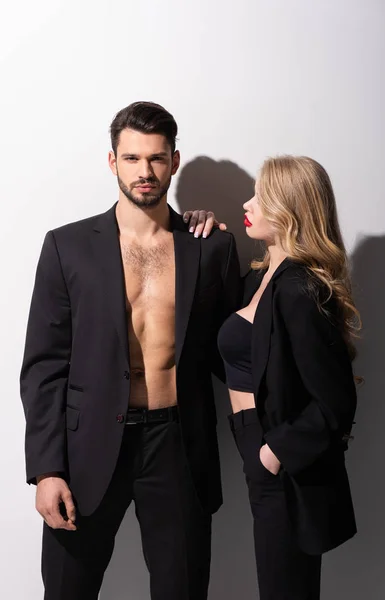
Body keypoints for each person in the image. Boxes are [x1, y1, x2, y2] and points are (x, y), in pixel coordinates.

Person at [20, 101, 241, 600]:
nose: (145, 172)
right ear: (112, 161)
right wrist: (47, 469)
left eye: (157, 159)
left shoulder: (210, 249)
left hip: (178, 443)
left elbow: (235, 348)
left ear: (175, 161)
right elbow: (43, 366)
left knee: (181, 589)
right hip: (87, 447)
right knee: (67, 590)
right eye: (133, 158)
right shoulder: (67, 246)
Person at [188, 155, 360, 599]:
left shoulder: (301, 289)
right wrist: (207, 238)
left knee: (285, 588)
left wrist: (273, 452)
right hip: (254, 444)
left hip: (279, 458)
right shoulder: (262, 278)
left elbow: (335, 403)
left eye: (260, 196)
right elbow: (233, 354)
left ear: (288, 209)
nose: (247, 201)